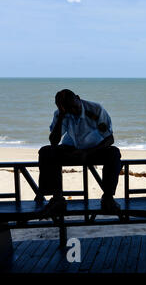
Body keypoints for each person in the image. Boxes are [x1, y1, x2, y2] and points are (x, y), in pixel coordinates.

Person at [38, 89, 122, 218]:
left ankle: (108, 197)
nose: (74, 111)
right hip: (71, 150)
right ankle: (57, 198)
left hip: (95, 150)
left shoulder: (96, 109)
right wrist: (61, 116)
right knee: (46, 152)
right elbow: (54, 141)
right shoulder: (61, 113)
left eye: (75, 106)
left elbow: (110, 139)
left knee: (114, 153)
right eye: (69, 109)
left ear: (78, 97)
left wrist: (88, 153)